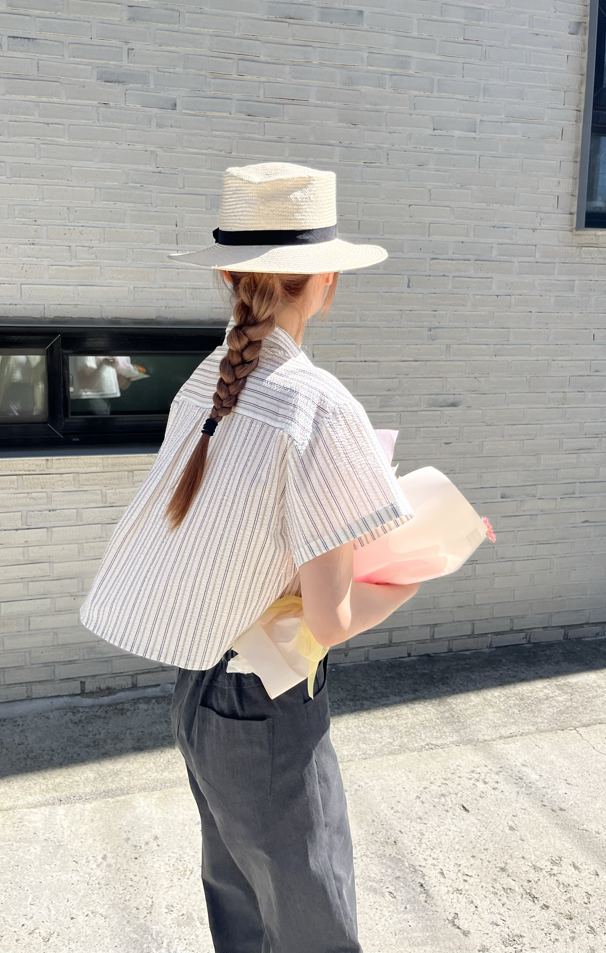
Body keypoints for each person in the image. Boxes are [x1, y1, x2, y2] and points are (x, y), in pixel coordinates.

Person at [79, 162, 421, 953]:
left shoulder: (209, 381)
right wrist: (417, 566)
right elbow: (329, 617)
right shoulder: (319, 404)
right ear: (327, 281)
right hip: (268, 702)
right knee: (311, 919)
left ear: (228, 276)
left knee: (240, 904)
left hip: (202, 690)